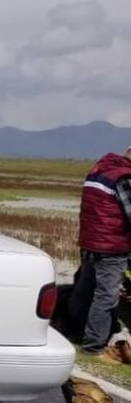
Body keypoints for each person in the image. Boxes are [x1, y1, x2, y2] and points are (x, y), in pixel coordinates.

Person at [68, 147, 131, 354]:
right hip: (111, 248)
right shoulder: (124, 177)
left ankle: (73, 333)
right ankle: (93, 346)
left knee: (84, 291)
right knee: (105, 297)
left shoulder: (99, 171)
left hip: (90, 242)